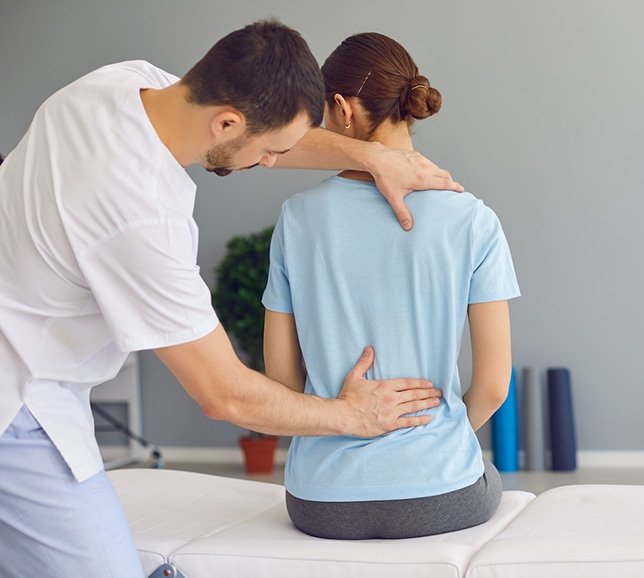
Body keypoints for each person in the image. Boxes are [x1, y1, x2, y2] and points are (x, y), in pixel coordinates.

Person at [0, 20, 460, 578]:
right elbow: (225, 396)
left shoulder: (117, 87)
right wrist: (351, 414)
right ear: (227, 122)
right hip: (19, 397)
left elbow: (264, 134)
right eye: (268, 152)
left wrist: (372, 158)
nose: (271, 163)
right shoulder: (140, 217)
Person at [263, 32, 521, 540]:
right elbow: (493, 387)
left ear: (340, 108)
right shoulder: (472, 218)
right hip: (439, 492)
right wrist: (431, 444)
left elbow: (284, 383)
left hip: (320, 503)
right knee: (485, 478)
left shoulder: (296, 220)